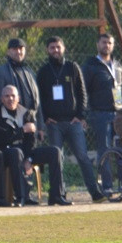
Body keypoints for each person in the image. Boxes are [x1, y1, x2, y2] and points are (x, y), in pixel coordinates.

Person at [37, 36, 105, 203]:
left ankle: (95, 193)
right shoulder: (43, 71)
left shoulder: (72, 67)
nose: (55, 50)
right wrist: (45, 118)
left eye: (58, 47)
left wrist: (81, 116)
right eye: (52, 47)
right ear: (47, 50)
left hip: (73, 122)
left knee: (82, 156)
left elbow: (82, 93)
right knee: (57, 159)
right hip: (54, 124)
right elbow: (39, 98)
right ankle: (59, 194)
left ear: (63, 48)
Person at [0, 84, 71, 207]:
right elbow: (0, 138)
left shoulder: (27, 114)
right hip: (6, 152)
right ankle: (21, 197)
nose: (10, 99)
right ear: (1, 99)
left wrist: (29, 159)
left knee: (55, 151)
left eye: (13, 96)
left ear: (19, 98)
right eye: (7, 96)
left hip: (26, 152)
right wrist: (22, 131)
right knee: (16, 152)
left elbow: (31, 141)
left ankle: (56, 196)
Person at [83, 33, 122, 195]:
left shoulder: (117, 66)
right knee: (105, 149)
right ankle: (107, 185)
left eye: (109, 43)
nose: (106, 45)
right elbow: (84, 91)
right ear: (98, 44)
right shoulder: (91, 65)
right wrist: (85, 113)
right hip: (100, 114)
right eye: (104, 42)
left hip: (119, 114)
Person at [0, 38, 43, 136]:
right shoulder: (0, 72)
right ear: (8, 52)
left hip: (31, 121)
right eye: (14, 49)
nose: (18, 52)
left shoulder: (30, 72)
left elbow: (37, 101)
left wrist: (40, 127)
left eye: (21, 48)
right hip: (11, 123)